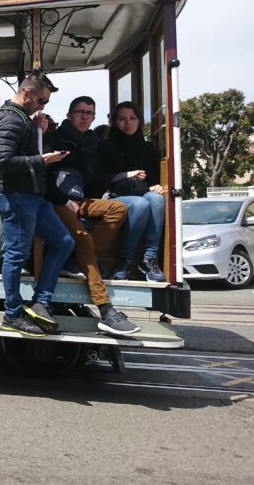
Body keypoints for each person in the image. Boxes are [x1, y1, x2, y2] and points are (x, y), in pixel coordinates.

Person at [0, 72, 74, 337]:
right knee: (16, 255)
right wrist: (42, 161)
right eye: (41, 100)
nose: (43, 106)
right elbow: (1, 162)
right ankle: (12, 314)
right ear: (26, 93)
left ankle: (40, 301)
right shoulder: (10, 118)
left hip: (32, 196)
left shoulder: (21, 119)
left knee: (64, 241)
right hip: (16, 195)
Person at [45, 96, 139, 335]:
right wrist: (64, 201)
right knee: (83, 239)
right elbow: (43, 177)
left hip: (80, 199)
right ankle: (106, 309)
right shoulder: (54, 139)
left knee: (118, 209)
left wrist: (124, 176)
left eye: (90, 113)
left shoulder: (93, 143)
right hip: (55, 201)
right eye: (80, 112)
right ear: (69, 115)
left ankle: (77, 260)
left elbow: (95, 179)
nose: (85, 117)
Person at [98, 101, 168, 282]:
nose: (127, 123)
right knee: (141, 203)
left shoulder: (148, 149)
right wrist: (125, 175)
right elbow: (100, 178)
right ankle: (125, 261)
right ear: (114, 121)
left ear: (139, 121)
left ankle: (148, 259)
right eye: (122, 119)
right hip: (113, 195)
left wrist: (157, 186)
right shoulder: (105, 147)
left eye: (132, 118)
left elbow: (153, 180)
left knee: (156, 199)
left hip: (141, 193)